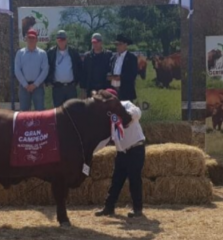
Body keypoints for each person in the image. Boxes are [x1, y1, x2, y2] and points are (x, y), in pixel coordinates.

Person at [95, 88, 146, 218]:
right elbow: (104, 140)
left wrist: (122, 116)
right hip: (122, 152)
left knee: (134, 179)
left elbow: (137, 113)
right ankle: (109, 207)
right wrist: (90, 152)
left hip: (136, 149)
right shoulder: (107, 117)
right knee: (116, 180)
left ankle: (137, 210)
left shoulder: (127, 105)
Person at [45, 30, 83, 107]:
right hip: (57, 88)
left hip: (71, 88)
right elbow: (46, 67)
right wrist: (48, 81)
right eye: (59, 40)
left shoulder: (73, 52)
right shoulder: (51, 52)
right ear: (56, 40)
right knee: (58, 113)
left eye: (63, 40)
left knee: (72, 111)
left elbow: (80, 67)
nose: (61, 42)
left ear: (67, 40)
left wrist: (79, 81)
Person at [14, 28, 49, 111]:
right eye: (29, 38)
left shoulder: (42, 53)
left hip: (38, 87)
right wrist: (25, 84)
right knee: (24, 113)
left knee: (40, 113)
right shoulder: (20, 53)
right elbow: (17, 70)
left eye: (33, 38)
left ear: (36, 39)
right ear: (26, 39)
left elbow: (45, 70)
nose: (31, 40)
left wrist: (35, 84)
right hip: (24, 87)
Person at [107, 34, 138, 102]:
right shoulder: (113, 58)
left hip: (126, 91)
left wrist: (120, 77)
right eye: (116, 45)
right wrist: (109, 76)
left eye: (119, 44)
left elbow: (133, 74)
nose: (117, 46)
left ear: (125, 45)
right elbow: (109, 70)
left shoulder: (131, 58)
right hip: (113, 91)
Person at [81, 33, 113, 98]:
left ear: (101, 42)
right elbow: (84, 73)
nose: (95, 44)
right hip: (91, 88)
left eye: (97, 42)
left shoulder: (108, 55)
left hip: (105, 88)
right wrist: (83, 89)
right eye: (93, 42)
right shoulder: (87, 56)